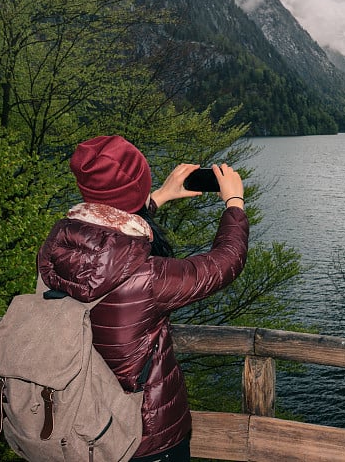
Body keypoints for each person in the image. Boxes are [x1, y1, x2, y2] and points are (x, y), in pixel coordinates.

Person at [37, 135, 249, 461]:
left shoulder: (58, 247)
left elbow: (108, 232)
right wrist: (234, 203)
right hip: (144, 437)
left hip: (76, 423)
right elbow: (224, 262)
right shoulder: (146, 276)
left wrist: (159, 197)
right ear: (139, 185)